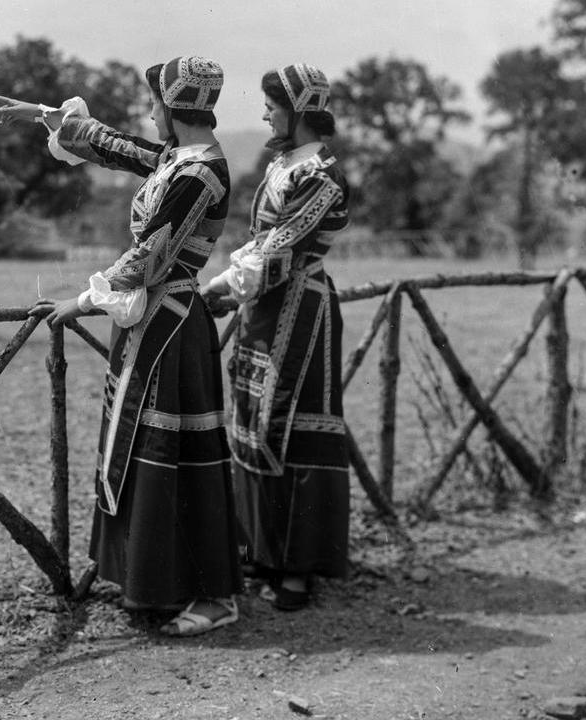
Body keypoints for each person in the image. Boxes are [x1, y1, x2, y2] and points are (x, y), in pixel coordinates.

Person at [0, 56, 242, 636]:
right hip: (152, 321)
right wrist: (50, 117)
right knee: (144, 444)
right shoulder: (179, 159)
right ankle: (152, 583)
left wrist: (80, 300)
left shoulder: (199, 174)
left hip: (172, 321)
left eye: (155, 103)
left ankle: (212, 595)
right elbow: (116, 146)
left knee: (175, 448)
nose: (149, 113)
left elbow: (151, 255)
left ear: (174, 107)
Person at [201, 63, 351, 612]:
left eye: (272, 105)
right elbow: (260, 242)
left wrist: (222, 286)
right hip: (266, 305)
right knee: (252, 422)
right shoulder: (286, 164)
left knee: (291, 425)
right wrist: (228, 285)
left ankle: (298, 566)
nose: (264, 113)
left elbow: (280, 248)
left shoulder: (321, 176)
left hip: (299, 312)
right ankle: (262, 549)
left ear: (299, 111)